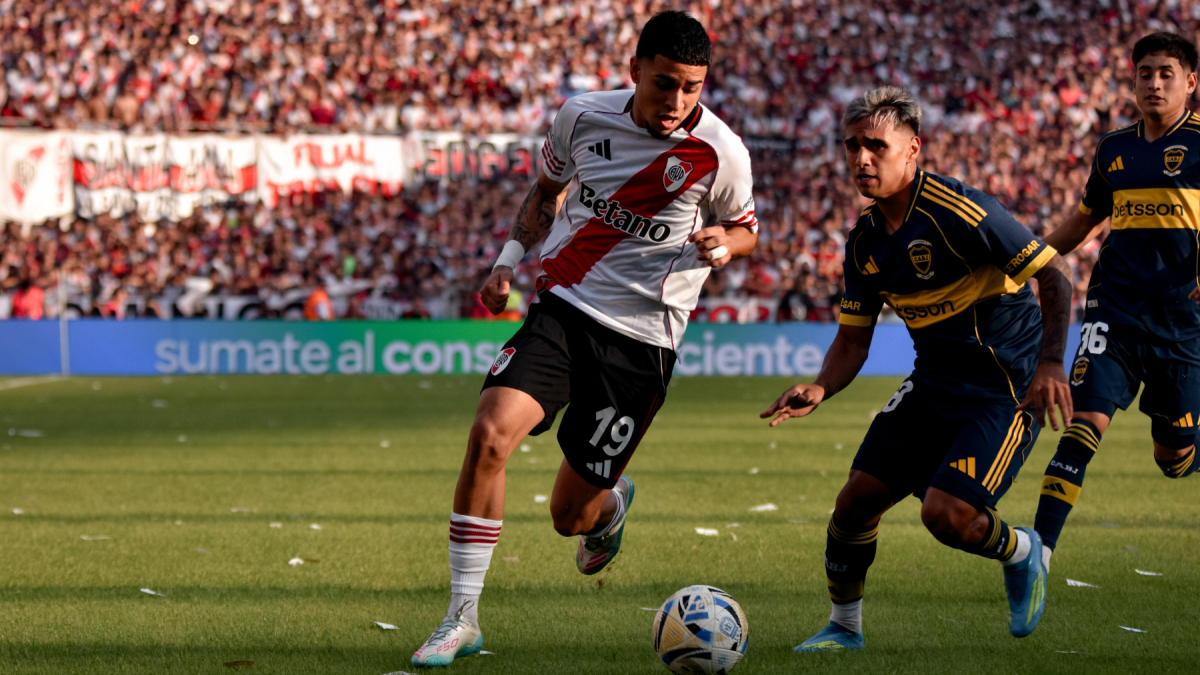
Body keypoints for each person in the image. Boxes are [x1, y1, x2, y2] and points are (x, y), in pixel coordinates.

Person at [411, 10, 759, 667]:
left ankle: (608, 508)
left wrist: (724, 244)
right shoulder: (582, 115)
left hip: (642, 342)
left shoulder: (722, 152)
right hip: (564, 307)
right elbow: (546, 191)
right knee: (489, 434)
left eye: (691, 87)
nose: (677, 101)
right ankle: (461, 617)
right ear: (635, 71)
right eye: (664, 83)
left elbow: (746, 228)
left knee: (569, 515)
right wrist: (507, 260)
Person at [761, 86, 1073, 651]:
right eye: (852, 145)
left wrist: (1052, 363)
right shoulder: (864, 242)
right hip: (932, 384)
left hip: (1004, 387)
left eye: (876, 146)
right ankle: (844, 629)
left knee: (946, 516)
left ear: (913, 149)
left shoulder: (963, 211)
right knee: (854, 502)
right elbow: (852, 340)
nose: (861, 158)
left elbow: (1054, 277)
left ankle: (1023, 552)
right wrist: (821, 386)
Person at [1033, 32, 1200, 572]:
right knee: (1083, 423)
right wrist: (1023, 259)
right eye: (1145, 73)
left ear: (1191, 83)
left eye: (1166, 74)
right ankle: (1038, 557)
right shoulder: (1113, 148)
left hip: (1184, 320)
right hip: (1115, 309)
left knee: (1174, 457)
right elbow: (1084, 221)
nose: (1154, 83)